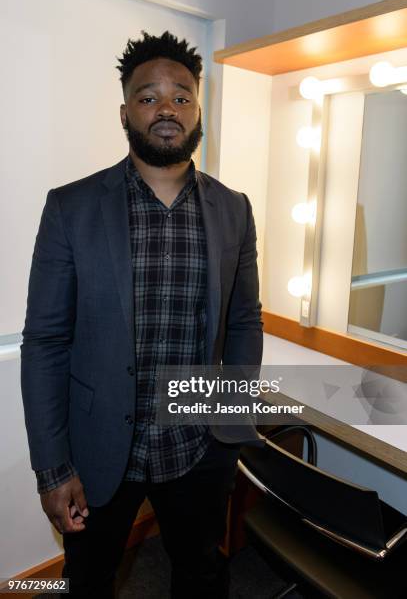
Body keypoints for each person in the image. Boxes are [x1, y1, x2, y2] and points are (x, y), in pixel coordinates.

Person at [20, 31, 263, 598]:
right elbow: (45, 342)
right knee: (89, 580)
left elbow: (245, 320)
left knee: (200, 572)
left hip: (198, 446)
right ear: (125, 111)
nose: (167, 109)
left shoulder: (235, 208)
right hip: (100, 446)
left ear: (199, 110)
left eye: (182, 96)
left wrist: (229, 420)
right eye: (149, 96)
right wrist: (52, 468)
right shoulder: (71, 207)